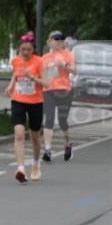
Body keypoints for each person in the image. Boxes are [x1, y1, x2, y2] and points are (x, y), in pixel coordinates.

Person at [5, 34, 47, 183]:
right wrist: (10, 86)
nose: (25, 52)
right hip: (18, 100)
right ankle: (21, 168)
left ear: (33, 50)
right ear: (19, 49)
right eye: (23, 49)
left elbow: (46, 82)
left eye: (29, 50)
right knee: (19, 134)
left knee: (35, 136)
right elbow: (15, 74)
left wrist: (33, 78)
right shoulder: (15, 60)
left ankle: (35, 164)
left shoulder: (40, 62)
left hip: (36, 102)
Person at [40, 30, 76, 162]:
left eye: (61, 39)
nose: (58, 41)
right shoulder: (44, 58)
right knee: (49, 119)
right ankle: (47, 150)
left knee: (62, 122)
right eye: (56, 39)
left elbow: (75, 71)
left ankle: (68, 144)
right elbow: (42, 76)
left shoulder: (68, 55)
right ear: (49, 41)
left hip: (64, 91)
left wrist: (64, 65)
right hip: (48, 91)